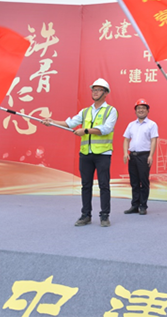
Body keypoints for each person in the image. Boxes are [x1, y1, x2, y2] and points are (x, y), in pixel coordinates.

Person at [42, 78, 118, 228]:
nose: (95, 92)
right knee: (86, 185)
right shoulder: (85, 111)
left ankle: (104, 216)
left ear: (105, 93)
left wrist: (86, 131)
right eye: (94, 89)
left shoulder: (111, 111)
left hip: (103, 154)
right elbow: (70, 123)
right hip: (85, 154)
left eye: (99, 89)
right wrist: (52, 122)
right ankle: (86, 215)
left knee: (104, 185)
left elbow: (106, 129)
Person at [122, 98, 158, 215]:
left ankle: (143, 205)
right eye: (138, 108)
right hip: (132, 156)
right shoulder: (131, 125)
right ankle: (134, 205)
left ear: (147, 111)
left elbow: (153, 140)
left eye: (143, 108)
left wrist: (151, 155)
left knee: (144, 181)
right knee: (134, 182)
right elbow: (126, 139)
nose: (141, 110)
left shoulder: (152, 124)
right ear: (135, 110)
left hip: (144, 156)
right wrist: (125, 153)